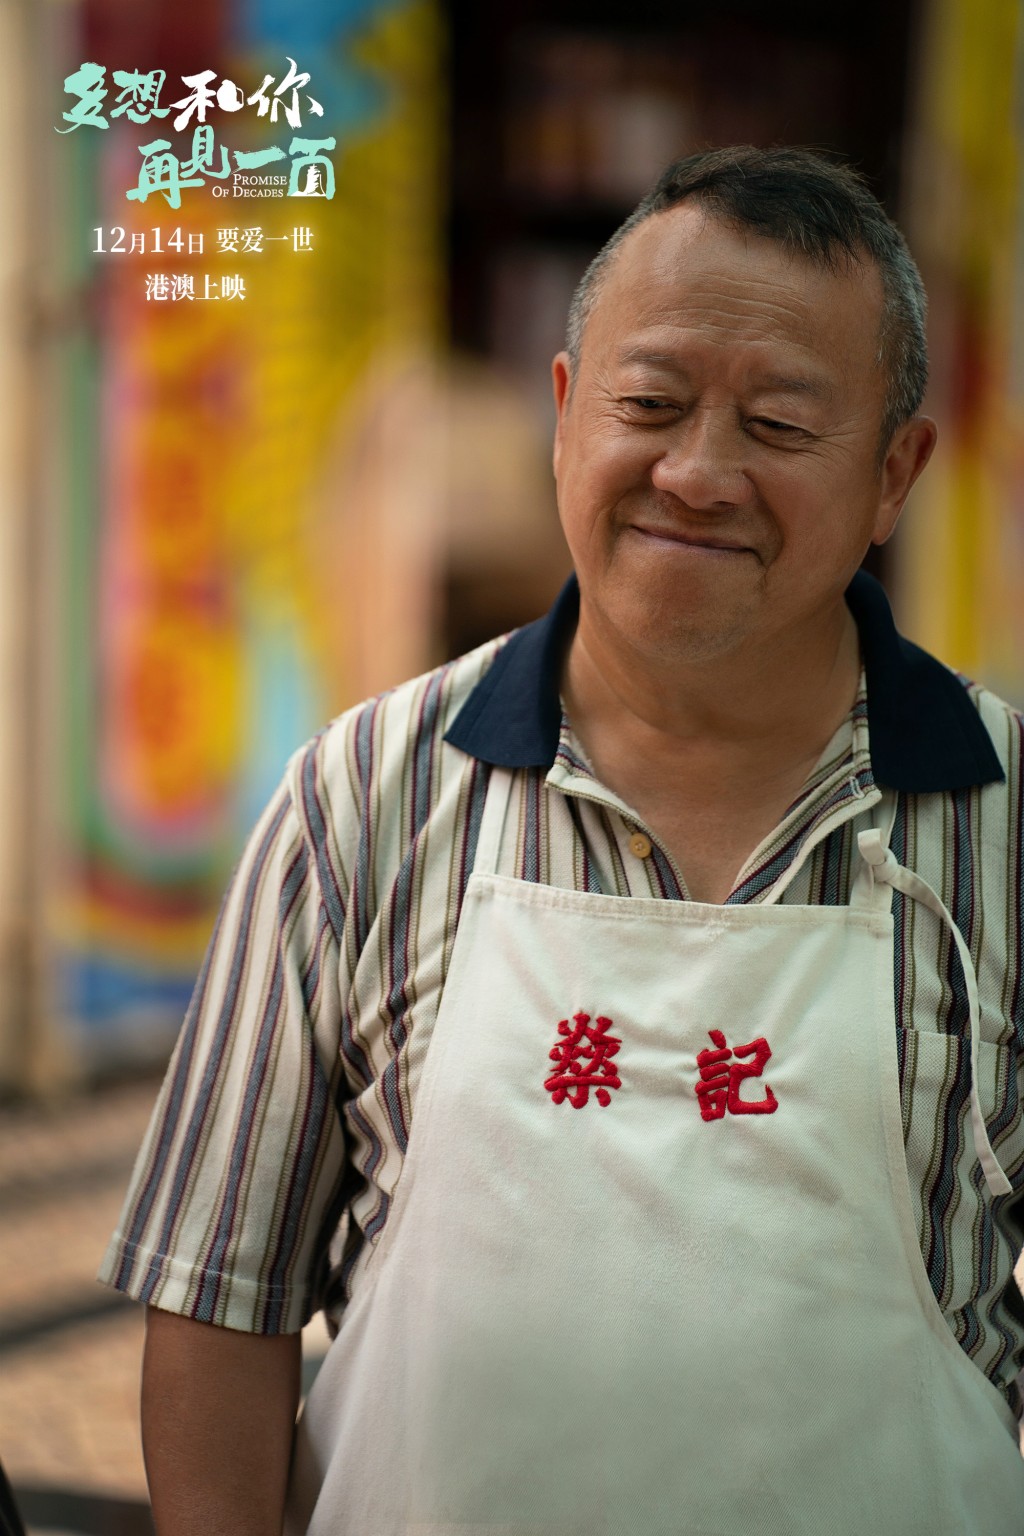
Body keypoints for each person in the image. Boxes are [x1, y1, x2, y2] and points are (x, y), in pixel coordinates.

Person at [100, 147, 1024, 1534]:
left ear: (895, 474)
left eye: (779, 426)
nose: (697, 474)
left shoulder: (1003, 823)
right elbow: (218, 1310)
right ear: (563, 413)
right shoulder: (363, 799)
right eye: (648, 404)